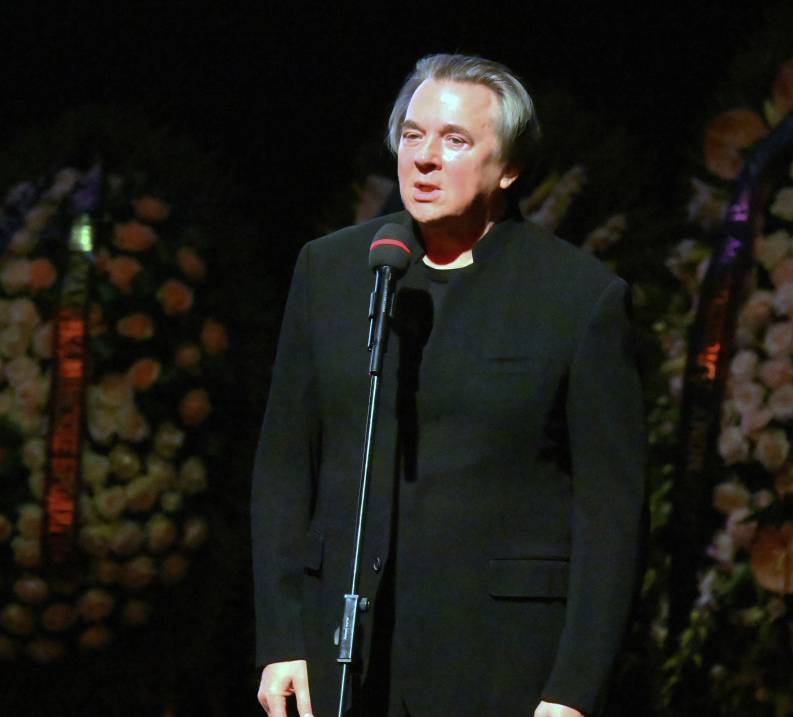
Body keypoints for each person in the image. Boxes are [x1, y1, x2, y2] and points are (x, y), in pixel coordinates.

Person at [253, 53, 646, 717]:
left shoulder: (578, 298)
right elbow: (285, 464)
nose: (425, 158)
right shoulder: (332, 270)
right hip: (340, 659)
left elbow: (611, 511)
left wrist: (575, 687)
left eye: (455, 140)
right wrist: (282, 637)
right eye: (413, 135)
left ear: (509, 167)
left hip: (500, 665)